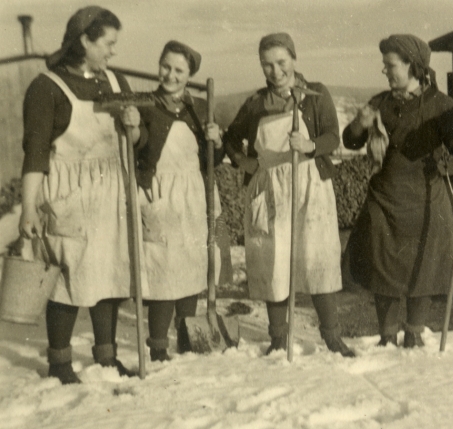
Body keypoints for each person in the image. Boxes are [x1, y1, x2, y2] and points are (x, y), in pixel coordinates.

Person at [19, 6, 143, 384]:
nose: (112, 52)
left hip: (111, 190)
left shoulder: (117, 83)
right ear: (84, 41)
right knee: (67, 279)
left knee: (110, 273)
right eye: (107, 43)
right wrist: (29, 207)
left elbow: (134, 142)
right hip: (69, 191)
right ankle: (59, 364)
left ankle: (106, 356)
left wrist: (134, 128)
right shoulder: (46, 87)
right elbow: (36, 152)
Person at [343, 34, 453, 348]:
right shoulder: (380, 103)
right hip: (385, 199)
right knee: (385, 267)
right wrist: (358, 125)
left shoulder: (440, 104)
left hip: (425, 199)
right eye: (385, 65)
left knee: (425, 265)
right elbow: (350, 141)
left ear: (412, 66)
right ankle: (387, 336)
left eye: (390, 65)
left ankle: (415, 333)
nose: (385, 72)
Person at [223, 33, 354, 357]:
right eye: (267, 65)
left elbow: (332, 137)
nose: (275, 71)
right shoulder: (255, 103)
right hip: (270, 188)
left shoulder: (314, 94)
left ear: (293, 59)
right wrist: (245, 162)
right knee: (274, 260)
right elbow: (230, 139)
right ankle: (279, 338)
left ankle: (331, 336)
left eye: (281, 62)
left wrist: (309, 146)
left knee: (318, 257)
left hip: (309, 184)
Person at [135, 41, 230, 361]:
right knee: (164, 272)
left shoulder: (201, 107)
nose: (170, 74)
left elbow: (212, 161)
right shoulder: (146, 105)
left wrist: (216, 140)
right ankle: (158, 347)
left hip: (194, 193)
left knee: (191, 267)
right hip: (160, 192)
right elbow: (139, 149)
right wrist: (132, 127)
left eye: (179, 70)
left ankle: (187, 338)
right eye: (166, 66)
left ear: (190, 75)